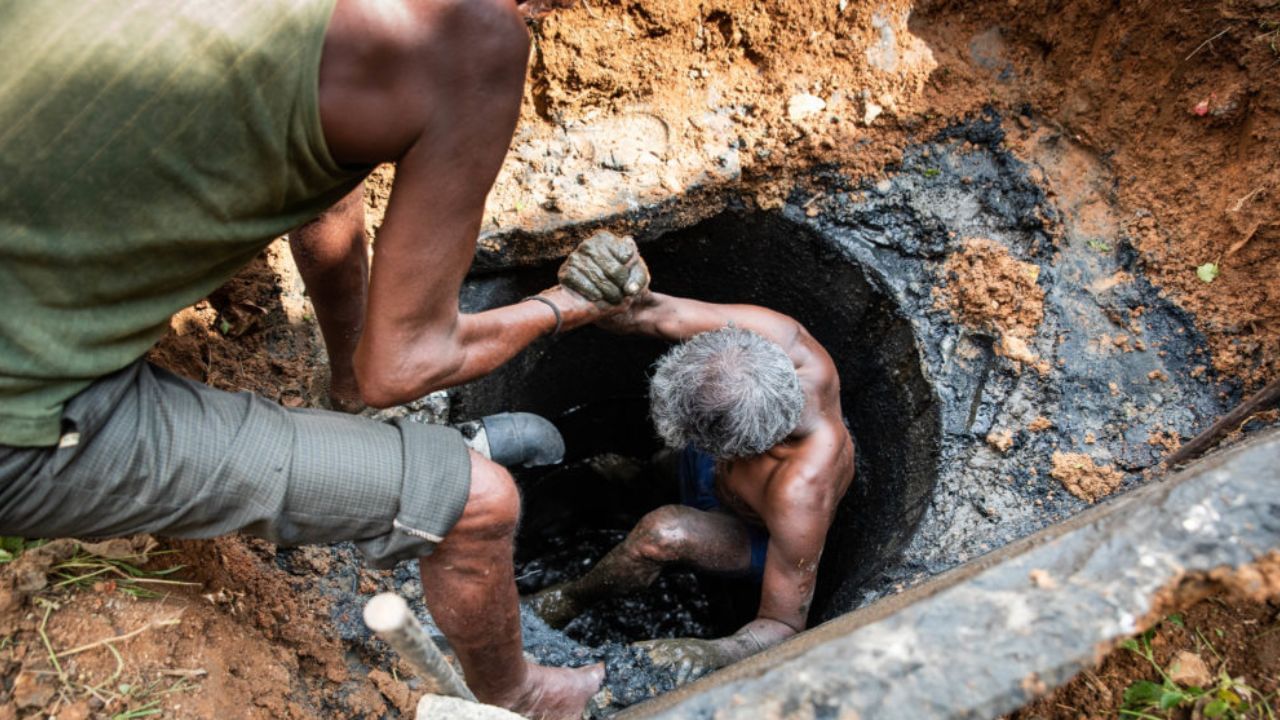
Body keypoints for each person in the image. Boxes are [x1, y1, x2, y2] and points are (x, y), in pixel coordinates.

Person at [0, 1, 640, 717]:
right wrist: (565, 306)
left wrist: (349, 386)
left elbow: (324, 198)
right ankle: (519, 693)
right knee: (480, 501)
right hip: (24, 416)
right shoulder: (470, 36)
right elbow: (401, 368)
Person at [528, 292, 857, 683]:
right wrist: (603, 289)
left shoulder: (800, 493)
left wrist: (712, 651)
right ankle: (649, 475)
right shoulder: (776, 339)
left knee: (661, 532)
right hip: (722, 456)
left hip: (748, 524)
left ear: (742, 450)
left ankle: (573, 597)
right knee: (666, 462)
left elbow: (782, 623)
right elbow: (649, 312)